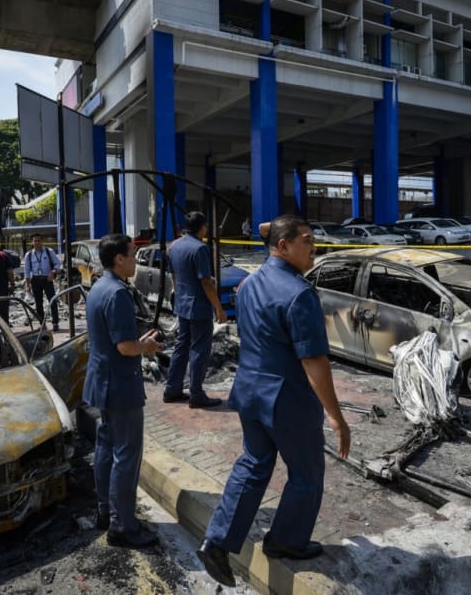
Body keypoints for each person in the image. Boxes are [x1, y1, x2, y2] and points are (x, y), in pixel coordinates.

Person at [196, 215, 351, 588]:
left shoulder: (249, 286)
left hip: (249, 391)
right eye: (307, 240)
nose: (315, 248)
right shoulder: (299, 294)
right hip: (288, 401)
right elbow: (314, 361)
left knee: (253, 464)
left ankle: (216, 542)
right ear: (285, 247)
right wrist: (336, 416)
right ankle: (285, 541)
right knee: (306, 474)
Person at [83, 233, 164, 548]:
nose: (135, 260)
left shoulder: (99, 287)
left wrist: (138, 342)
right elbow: (126, 347)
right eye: (133, 255)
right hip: (119, 385)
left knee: (107, 448)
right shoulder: (117, 293)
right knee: (126, 456)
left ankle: (107, 510)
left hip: (102, 381)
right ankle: (123, 526)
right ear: (119, 258)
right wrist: (146, 346)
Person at [162, 211, 227, 408]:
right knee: (199, 349)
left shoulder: (174, 246)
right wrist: (219, 309)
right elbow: (206, 282)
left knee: (181, 346)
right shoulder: (200, 249)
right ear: (202, 228)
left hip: (182, 304)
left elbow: (173, 277)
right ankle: (196, 394)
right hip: (198, 307)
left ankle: (172, 389)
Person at [23, 233, 61, 331]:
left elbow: (57, 264)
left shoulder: (49, 251)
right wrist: (27, 285)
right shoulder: (29, 255)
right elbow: (27, 270)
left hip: (47, 279)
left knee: (52, 301)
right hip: (35, 280)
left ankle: (55, 322)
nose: (37, 243)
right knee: (38, 303)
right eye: (35, 241)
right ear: (32, 242)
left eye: (39, 240)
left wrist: (53, 272)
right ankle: (42, 323)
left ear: (42, 241)